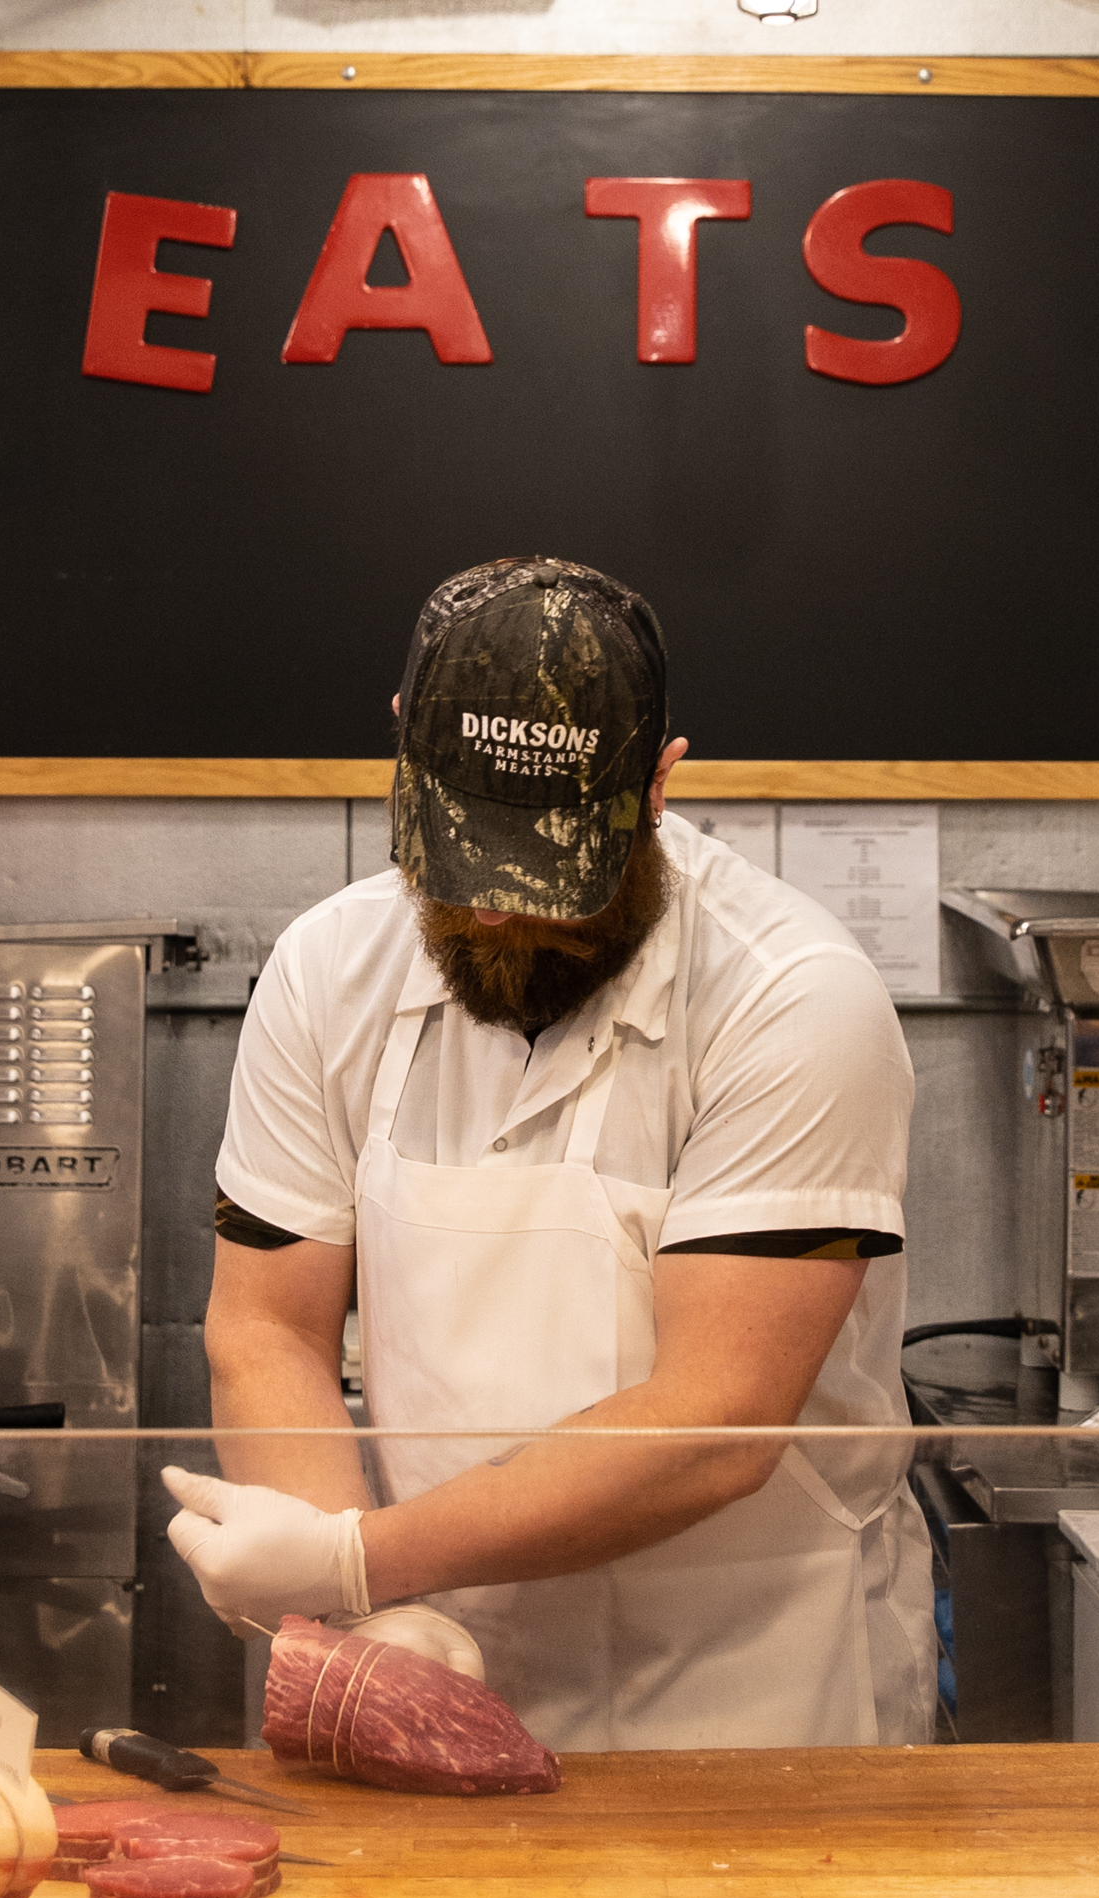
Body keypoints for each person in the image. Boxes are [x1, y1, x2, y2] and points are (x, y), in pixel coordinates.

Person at [163, 555, 935, 1749]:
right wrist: (371, 1626)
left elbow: (715, 1423)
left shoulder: (795, 997)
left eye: (549, 872)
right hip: (424, 1653)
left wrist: (358, 1558)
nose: (494, 911)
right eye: (467, 857)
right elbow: (267, 1325)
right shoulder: (329, 970)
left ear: (662, 784)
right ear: (398, 750)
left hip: (750, 1700)